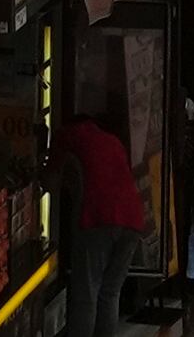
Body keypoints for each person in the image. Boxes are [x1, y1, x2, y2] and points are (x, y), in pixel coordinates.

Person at [59, 99, 145, 337]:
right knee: (110, 291)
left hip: (98, 219)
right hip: (132, 220)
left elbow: (50, 177)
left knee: (87, 291)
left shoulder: (68, 136)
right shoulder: (112, 141)